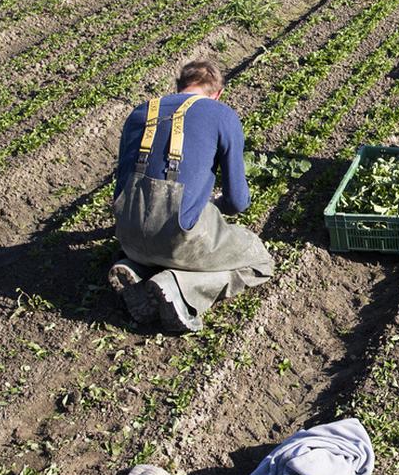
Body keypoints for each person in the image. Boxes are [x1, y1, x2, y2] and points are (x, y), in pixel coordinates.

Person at [106, 58, 273, 331]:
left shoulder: (140, 113)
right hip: (179, 237)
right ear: (217, 94)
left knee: (158, 246)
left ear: (178, 87)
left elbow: (121, 188)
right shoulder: (221, 114)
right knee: (259, 260)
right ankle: (178, 286)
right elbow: (238, 202)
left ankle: (136, 268)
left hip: (128, 236)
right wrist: (214, 204)